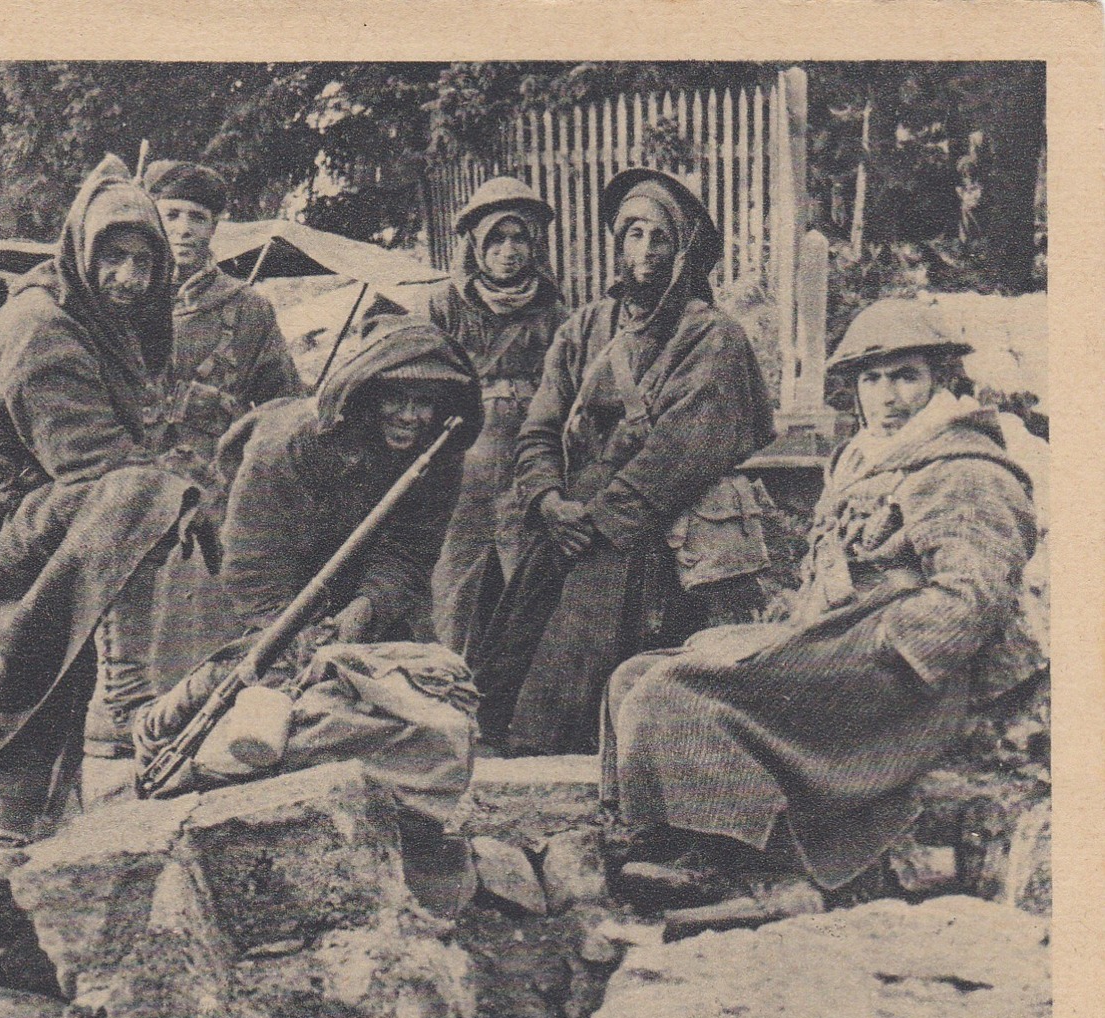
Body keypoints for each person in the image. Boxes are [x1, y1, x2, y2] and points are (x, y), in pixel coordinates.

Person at [602, 300, 1038, 909]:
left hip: (901, 681)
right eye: (872, 379)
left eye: (906, 376)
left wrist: (882, 642)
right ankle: (663, 839)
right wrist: (803, 622)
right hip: (843, 643)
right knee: (633, 676)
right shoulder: (864, 459)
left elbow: (975, 594)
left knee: (674, 689)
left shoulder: (963, 468)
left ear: (940, 380)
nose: (888, 396)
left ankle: (739, 864)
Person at [0, 154, 206, 835]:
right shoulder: (44, 326)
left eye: (144, 264)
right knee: (141, 497)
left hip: (35, 511)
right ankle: (113, 703)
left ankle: (57, 787)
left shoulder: (87, 315)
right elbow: (91, 464)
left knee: (147, 496)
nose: (128, 278)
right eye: (112, 257)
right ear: (82, 250)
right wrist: (182, 498)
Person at [467, 168, 775, 758]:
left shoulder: (713, 338)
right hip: (567, 522)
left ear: (683, 248)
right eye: (633, 235)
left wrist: (600, 521)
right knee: (507, 661)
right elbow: (540, 426)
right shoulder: (584, 328)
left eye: (660, 238)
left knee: (602, 670)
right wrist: (549, 501)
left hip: (646, 529)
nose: (645, 253)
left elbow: (680, 452)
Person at [132, 160, 304, 709]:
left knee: (211, 624)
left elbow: (284, 407)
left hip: (214, 495)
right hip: (129, 486)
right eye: (171, 213)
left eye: (198, 218)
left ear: (216, 228)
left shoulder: (247, 310)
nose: (183, 229)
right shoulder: (120, 299)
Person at [217, 316, 482, 649]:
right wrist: (294, 637)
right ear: (366, 397)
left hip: (359, 587)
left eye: (424, 401)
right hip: (262, 584)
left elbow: (411, 549)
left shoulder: (437, 449)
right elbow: (254, 562)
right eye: (395, 397)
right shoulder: (290, 445)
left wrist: (368, 606)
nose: (409, 416)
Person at [426, 177, 568, 653]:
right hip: (462, 464)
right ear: (475, 245)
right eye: (496, 239)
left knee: (527, 583)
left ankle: (521, 704)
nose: (509, 251)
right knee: (454, 584)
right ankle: (444, 683)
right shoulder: (444, 306)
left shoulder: (555, 314)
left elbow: (569, 393)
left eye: (519, 238)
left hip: (530, 460)